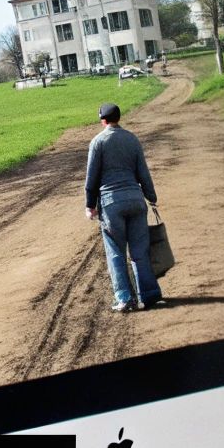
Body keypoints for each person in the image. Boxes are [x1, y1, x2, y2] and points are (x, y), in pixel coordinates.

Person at [84, 102, 163, 312]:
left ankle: (125, 299)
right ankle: (149, 294)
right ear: (119, 118)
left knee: (116, 253)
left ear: (103, 120)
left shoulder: (98, 142)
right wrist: (151, 196)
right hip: (136, 200)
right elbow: (143, 173)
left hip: (111, 203)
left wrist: (90, 205)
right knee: (140, 251)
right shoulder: (132, 139)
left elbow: (91, 178)